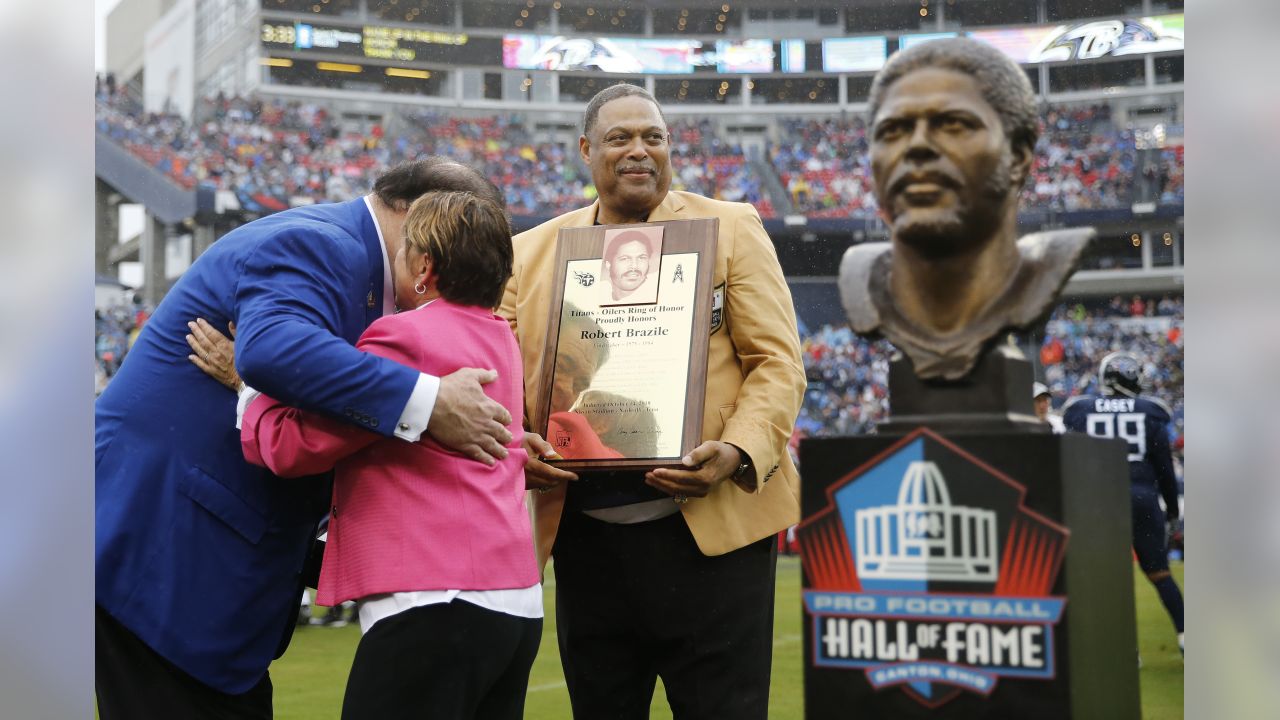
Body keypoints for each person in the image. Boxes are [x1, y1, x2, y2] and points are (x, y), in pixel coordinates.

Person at [95, 158, 518, 719]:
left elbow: (341, 415)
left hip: (217, 569)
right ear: (418, 216)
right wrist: (429, 400)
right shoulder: (322, 243)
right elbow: (271, 348)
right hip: (165, 553)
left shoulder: (381, 284)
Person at [498, 83, 806, 719]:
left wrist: (739, 448)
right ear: (586, 150)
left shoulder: (730, 228)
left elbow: (777, 364)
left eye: (653, 137)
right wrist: (512, 443)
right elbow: (495, 376)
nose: (639, 151)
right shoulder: (528, 254)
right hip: (587, 543)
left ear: (669, 148)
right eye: (619, 138)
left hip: (712, 539)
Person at [238, 192, 544, 719]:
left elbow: (295, 444)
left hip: (433, 597)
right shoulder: (500, 337)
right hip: (514, 599)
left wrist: (247, 391)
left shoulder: (405, 335)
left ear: (424, 267)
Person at [837, 38, 1093, 380]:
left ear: (1017, 155)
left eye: (953, 123)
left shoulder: (1046, 265)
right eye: (893, 130)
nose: (917, 146)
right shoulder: (863, 282)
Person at [1063, 352, 1185, 655]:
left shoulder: (1080, 410)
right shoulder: (1150, 411)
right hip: (1142, 498)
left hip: (1098, 501)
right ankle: (1186, 638)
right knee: (1159, 572)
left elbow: (1071, 462)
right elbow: (1164, 469)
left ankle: (1122, 652)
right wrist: (1171, 508)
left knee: (1105, 576)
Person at [599, 229, 659, 305]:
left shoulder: (659, 288)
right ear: (608, 265)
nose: (634, 266)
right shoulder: (600, 292)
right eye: (625, 259)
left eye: (641, 258)